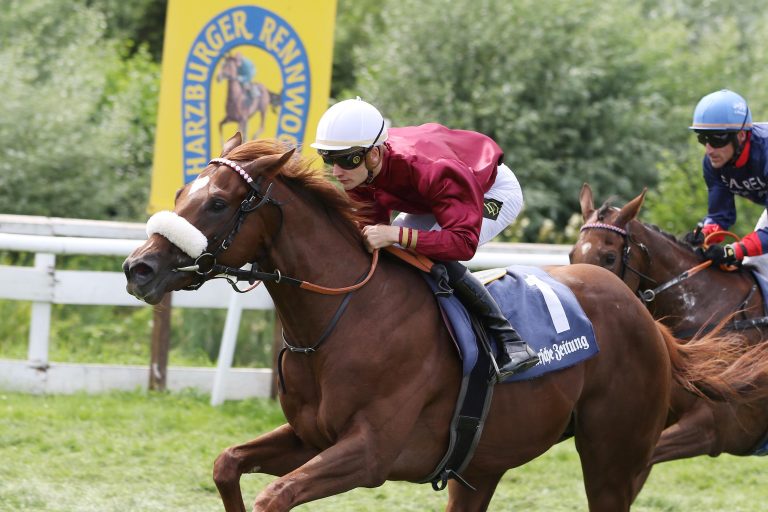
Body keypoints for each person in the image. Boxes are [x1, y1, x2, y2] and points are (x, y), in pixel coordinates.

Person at [310, 97, 539, 382]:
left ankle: (511, 341)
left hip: (488, 189)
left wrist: (396, 234)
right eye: (329, 159)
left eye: (346, 160)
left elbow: (462, 243)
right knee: (391, 248)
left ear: (374, 154)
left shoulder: (432, 169)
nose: (336, 171)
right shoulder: (359, 173)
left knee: (425, 250)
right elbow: (373, 232)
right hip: (435, 195)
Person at [684, 89, 768, 274]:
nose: (709, 149)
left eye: (717, 139)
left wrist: (734, 250)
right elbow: (720, 216)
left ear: (741, 135)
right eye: (703, 138)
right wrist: (704, 233)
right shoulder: (713, 164)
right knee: (756, 266)